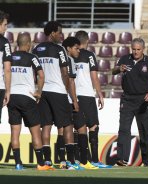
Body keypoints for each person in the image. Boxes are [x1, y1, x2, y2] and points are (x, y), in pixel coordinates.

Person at [32, 21, 81, 170]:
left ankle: (47, 161)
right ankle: (70, 162)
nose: (61, 36)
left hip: (43, 92)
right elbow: (65, 73)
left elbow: (36, 72)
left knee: (46, 126)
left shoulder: (37, 49)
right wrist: (68, 93)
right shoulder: (60, 49)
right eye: (59, 32)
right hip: (58, 91)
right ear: (52, 33)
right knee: (67, 125)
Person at [8, 33, 54, 171]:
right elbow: (41, 74)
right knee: (35, 132)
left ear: (17, 44)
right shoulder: (32, 57)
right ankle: (41, 164)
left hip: (12, 97)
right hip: (27, 97)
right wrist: (39, 91)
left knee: (15, 132)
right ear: (28, 44)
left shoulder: (9, 57)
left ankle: (18, 163)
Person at [112, 38, 148, 167]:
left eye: (138, 49)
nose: (136, 52)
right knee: (124, 129)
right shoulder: (124, 59)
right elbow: (113, 71)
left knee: (145, 130)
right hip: (127, 99)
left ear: (143, 49)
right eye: (134, 49)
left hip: (144, 99)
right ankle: (122, 159)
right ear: (131, 48)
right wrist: (119, 69)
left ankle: (147, 161)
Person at [74, 30, 111, 168]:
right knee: (93, 126)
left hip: (73, 96)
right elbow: (94, 76)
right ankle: (94, 160)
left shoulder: (70, 55)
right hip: (87, 95)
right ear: (87, 41)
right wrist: (100, 94)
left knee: (77, 128)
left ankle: (78, 159)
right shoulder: (89, 55)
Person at [62, 36, 96, 170]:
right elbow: (70, 82)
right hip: (68, 100)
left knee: (78, 128)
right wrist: (75, 100)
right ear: (69, 49)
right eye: (76, 48)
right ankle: (73, 161)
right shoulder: (69, 60)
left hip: (65, 99)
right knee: (72, 129)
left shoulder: (66, 60)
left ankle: (77, 161)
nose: (79, 51)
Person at [0, 10, 12, 122]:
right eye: (4, 24)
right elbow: (7, 69)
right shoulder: (4, 42)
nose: (6, 28)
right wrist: (8, 91)